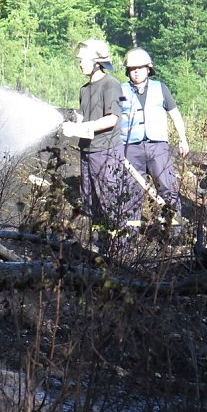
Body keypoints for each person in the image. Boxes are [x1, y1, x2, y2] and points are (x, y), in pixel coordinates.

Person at [61, 39, 129, 252]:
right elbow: (86, 117)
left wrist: (82, 129)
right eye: (79, 59)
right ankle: (99, 247)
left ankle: (119, 250)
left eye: (84, 60)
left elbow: (112, 119)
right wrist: (75, 125)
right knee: (91, 202)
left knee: (109, 201)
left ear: (98, 61)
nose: (80, 63)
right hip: (88, 151)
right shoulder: (84, 89)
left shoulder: (111, 85)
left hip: (106, 151)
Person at [119, 48, 189, 234]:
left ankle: (175, 231)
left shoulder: (160, 88)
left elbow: (175, 115)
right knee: (131, 191)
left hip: (157, 147)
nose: (136, 71)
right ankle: (129, 235)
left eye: (140, 68)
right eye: (132, 68)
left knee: (167, 187)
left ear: (149, 69)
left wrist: (183, 139)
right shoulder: (121, 90)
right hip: (130, 148)